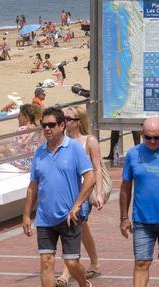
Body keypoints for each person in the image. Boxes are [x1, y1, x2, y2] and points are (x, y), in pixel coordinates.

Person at [22, 107, 95, 287]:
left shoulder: (74, 148)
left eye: (51, 125)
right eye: (44, 125)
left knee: (71, 262)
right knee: (46, 262)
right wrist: (25, 215)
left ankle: (83, 284)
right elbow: (33, 186)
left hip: (69, 217)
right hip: (45, 218)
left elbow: (90, 177)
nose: (47, 129)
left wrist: (77, 205)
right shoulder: (39, 152)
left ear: (62, 126)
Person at [120, 117, 159, 287]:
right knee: (141, 262)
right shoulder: (133, 154)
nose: (152, 141)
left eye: (157, 137)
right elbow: (125, 187)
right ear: (141, 134)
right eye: (148, 137)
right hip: (142, 220)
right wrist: (123, 218)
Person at [55, 106, 105, 286]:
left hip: (84, 191)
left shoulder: (89, 141)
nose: (66, 122)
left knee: (72, 226)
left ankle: (65, 274)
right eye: (65, 118)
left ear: (79, 122)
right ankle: (95, 262)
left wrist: (99, 193)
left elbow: (97, 168)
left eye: (70, 119)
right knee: (82, 229)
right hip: (66, 192)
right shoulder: (61, 141)